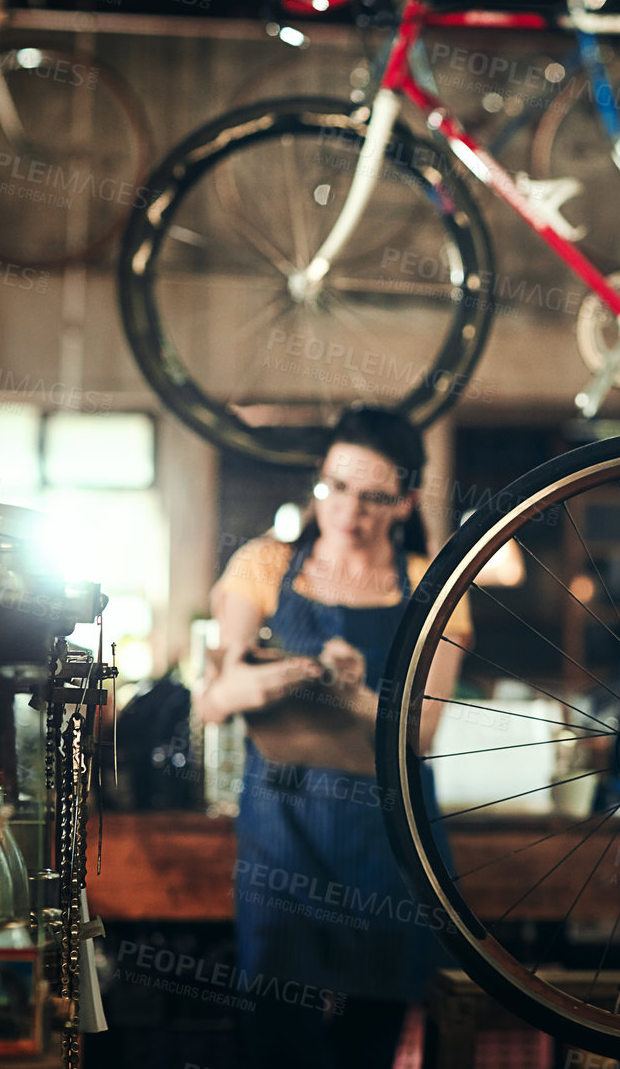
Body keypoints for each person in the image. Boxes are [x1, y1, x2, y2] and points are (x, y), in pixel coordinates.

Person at [200, 407, 470, 1069]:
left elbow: (420, 734)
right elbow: (213, 699)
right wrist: (295, 674)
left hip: (387, 838)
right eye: (336, 488)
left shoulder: (437, 590)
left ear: (405, 501)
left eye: (374, 497)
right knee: (276, 1038)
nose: (349, 512)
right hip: (282, 835)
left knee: (367, 1049)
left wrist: (352, 694)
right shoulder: (264, 566)